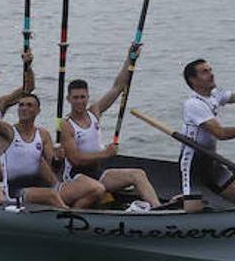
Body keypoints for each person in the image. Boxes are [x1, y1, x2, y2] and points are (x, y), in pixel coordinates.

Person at [59, 44, 161, 208]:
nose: (79, 101)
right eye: (75, 98)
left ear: (88, 97)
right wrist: (105, 153)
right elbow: (76, 159)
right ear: (68, 99)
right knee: (98, 189)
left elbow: (118, 87)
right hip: (75, 176)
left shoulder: (94, 112)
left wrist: (130, 58)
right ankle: (74, 214)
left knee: (138, 174)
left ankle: (157, 209)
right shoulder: (66, 124)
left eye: (82, 97)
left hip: (97, 172)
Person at [0, 92, 103, 208]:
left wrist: (58, 158)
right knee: (51, 195)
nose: (24, 108)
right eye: (21, 105)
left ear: (38, 111)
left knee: (96, 188)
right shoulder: (9, 132)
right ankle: (66, 216)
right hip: (16, 192)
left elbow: (54, 168)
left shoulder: (43, 134)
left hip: (41, 187)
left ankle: (74, 215)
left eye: (29, 105)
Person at [178, 59, 235, 206]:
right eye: (205, 72)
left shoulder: (215, 95)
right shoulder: (193, 104)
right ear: (193, 80)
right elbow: (221, 134)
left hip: (211, 161)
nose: (211, 74)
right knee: (194, 213)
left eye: (210, 70)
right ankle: (182, 199)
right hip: (193, 164)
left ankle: (185, 198)